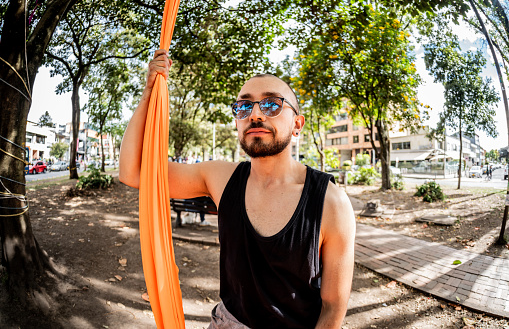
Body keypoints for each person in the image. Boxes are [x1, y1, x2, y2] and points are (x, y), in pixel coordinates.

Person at [119, 49, 356, 328]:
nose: (255, 114)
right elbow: (133, 171)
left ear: (297, 124)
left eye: (272, 104)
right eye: (244, 107)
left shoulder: (331, 202)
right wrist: (149, 91)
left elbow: (332, 308)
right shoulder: (220, 177)